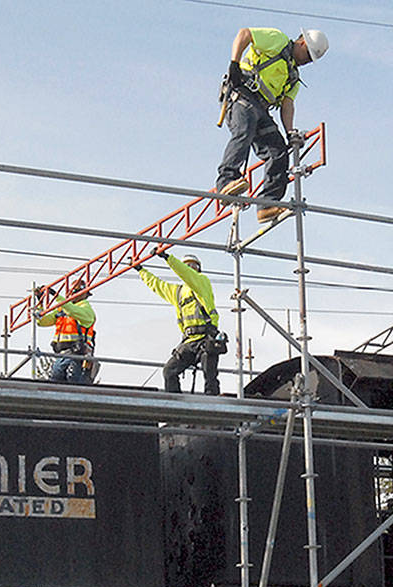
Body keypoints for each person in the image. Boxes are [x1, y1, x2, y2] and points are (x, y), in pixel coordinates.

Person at [216, 26, 328, 222]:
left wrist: (289, 132)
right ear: (302, 43)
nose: (307, 61)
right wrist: (234, 64)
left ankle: (267, 203)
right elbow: (245, 34)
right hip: (242, 93)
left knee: (278, 151)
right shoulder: (278, 40)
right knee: (244, 129)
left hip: (260, 108)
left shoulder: (293, 78)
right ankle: (227, 180)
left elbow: (287, 104)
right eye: (308, 55)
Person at [135, 252, 224, 395]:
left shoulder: (202, 282)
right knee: (169, 371)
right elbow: (157, 285)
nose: (190, 268)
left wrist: (167, 258)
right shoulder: (178, 292)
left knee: (210, 376)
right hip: (189, 342)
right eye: (187, 265)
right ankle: (175, 401)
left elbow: (185, 274)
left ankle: (213, 403)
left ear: (198, 269)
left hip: (206, 339)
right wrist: (141, 270)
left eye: (193, 266)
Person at [34, 279, 96, 384]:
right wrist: (40, 303)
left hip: (77, 355)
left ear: (85, 294)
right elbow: (42, 322)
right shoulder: (62, 309)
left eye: (76, 292)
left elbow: (71, 310)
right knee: (56, 385)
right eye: (73, 292)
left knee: (73, 385)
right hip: (61, 355)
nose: (74, 295)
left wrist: (57, 297)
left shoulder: (85, 309)